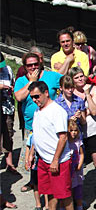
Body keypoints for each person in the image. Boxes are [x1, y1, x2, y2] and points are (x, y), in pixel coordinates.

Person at [28, 81, 79, 210]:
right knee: (48, 189)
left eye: (37, 96)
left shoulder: (57, 111)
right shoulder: (38, 111)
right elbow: (36, 134)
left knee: (63, 190)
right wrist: (32, 153)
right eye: (32, 98)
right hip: (43, 158)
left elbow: (63, 137)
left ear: (46, 93)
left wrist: (56, 159)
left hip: (58, 159)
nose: (35, 100)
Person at [14, 53, 62, 189]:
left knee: (49, 153)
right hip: (31, 124)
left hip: (51, 123)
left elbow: (66, 83)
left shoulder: (52, 76)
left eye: (36, 64)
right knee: (32, 156)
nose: (33, 67)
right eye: (29, 65)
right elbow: (18, 97)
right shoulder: (21, 81)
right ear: (25, 66)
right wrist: (31, 81)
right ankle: (33, 183)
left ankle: (52, 182)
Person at [70, 67, 96, 205]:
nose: (81, 79)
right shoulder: (70, 92)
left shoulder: (93, 89)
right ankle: (77, 196)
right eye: (77, 77)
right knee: (76, 165)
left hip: (94, 130)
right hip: (77, 133)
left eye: (82, 76)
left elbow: (94, 111)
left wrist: (87, 95)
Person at [0, 52, 17, 173]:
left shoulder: (8, 69)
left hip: (7, 106)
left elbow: (13, 83)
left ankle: (9, 163)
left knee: (8, 132)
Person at [67, 118, 85, 210]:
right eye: (71, 130)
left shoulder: (78, 142)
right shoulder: (65, 143)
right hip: (68, 169)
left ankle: (79, 208)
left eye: (75, 131)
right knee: (67, 188)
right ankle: (64, 209)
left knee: (78, 188)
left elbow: (81, 154)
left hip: (77, 169)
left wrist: (80, 164)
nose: (73, 133)